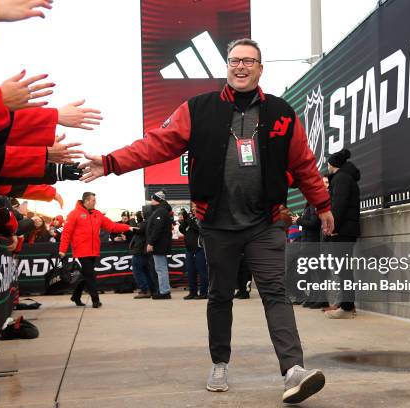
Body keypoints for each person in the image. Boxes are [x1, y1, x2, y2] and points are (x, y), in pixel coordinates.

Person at [79, 38, 333, 404]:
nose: (241, 67)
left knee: (275, 291)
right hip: (215, 223)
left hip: (264, 222)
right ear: (226, 67)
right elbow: (157, 143)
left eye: (249, 61)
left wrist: (322, 204)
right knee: (219, 294)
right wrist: (110, 162)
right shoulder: (198, 109)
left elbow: (304, 164)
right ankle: (220, 361)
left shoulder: (281, 112)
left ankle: (294, 370)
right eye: (234, 60)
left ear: (261, 68)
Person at [59, 192, 131, 308]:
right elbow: (66, 233)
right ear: (86, 201)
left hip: (93, 250)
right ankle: (95, 300)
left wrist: (128, 227)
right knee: (90, 275)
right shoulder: (74, 214)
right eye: (93, 200)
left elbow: (112, 226)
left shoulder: (97, 214)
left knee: (85, 275)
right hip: (81, 251)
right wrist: (62, 250)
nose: (95, 202)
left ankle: (76, 296)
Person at [322, 149, 361, 319]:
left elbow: (339, 206)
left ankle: (346, 307)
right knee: (342, 269)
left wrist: (332, 227)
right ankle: (345, 304)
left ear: (334, 164)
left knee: (343, 270)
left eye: (328, 163)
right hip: (344, 230)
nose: (327, 166)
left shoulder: (342, 179)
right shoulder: (342, 178)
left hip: (342, 231)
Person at [146, 191, 173, 299]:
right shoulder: (160, 210)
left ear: (158, 200)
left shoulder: (160, 211)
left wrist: (151, 242)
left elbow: (157, 228)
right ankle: (164, 290)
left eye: (153, 199)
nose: (151, 201)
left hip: (159, 245)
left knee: (161, 269)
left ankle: (164, 291)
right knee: (161, 268)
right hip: (160, 244)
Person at [179, 207, 208, 300]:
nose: (194, 211)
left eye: (195, 209)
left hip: (200, 249)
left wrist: (189, 220)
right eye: (193, 209)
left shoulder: (203, 219)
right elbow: (181, 229)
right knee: (191, 272)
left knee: (202, 271)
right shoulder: (191, 219)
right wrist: (184, 219)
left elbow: (199, 229)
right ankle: (192, 292)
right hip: (189, 249)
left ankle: (204, 293)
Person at [129, 210, 154, 298]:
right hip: (143, 250)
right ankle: (150, 289)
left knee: (137, 271)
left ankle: (145, 290)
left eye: (143, 212)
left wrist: (132, 220)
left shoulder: (146, 223)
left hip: (140, 250)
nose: (141, 214)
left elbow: (136, 230)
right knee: (145, 271)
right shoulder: (148, 222)